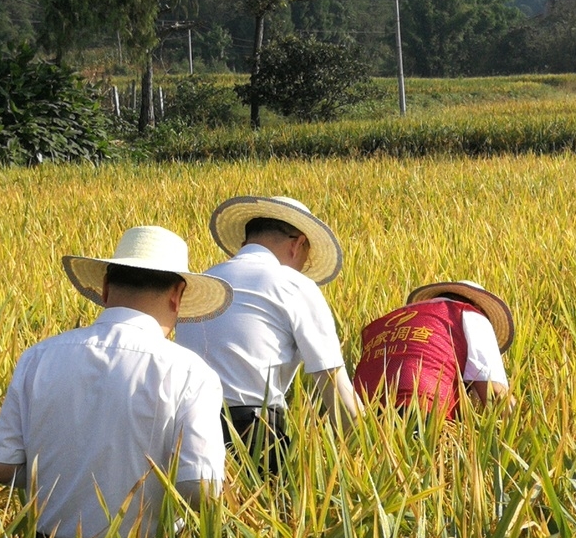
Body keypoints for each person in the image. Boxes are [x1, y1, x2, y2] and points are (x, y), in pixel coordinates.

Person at [0, 225, 232, 538]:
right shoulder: (190, 372)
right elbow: (200, 489)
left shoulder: (39, 356)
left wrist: (62, 474)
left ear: (106, 288)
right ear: (177, 295)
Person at [175, 195, 362, 474]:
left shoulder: (201, 285)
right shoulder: (293, 284)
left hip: (183, 436)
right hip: (254, 435)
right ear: (297, 244)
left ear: (245, 241)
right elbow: (335, 387)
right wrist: (369, 452)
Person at [353, 281, 514, 420]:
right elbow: (495, 394)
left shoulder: (387, 320)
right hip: (421, 408)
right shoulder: (473, 315)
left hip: (359, 415)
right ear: (478, 308)